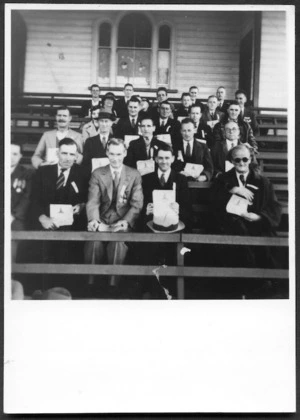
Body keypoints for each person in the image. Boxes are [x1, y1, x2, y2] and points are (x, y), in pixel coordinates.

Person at [84, 138, 143, 297]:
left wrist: (125, 222)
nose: (115, 158)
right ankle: (91, 284)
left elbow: (137, 204)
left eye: (118, 154)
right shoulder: (97, 173)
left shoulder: (134, 174)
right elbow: (92, 201)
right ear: (107, 153)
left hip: (122, 222)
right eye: (111, 154)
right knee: (94, 242)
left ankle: (113, 286)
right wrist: (94, 221)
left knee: (118, 244)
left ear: (124, 153)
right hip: (102, 220)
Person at [31, 138, 89, 295]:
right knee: (41, 246)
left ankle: (66, 293)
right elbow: (34, 200)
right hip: (47, 224)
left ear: (76, 156)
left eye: (72, 154)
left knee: (69, 250)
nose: (68, 158)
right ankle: (42, 290)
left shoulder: (83, 174)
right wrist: (42, 217)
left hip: (71, 225)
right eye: (64, 153)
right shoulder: (43, 172)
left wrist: (82, 207)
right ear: (57, 153)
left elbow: (88, 200)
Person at [210, 144, 282, 271]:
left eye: (245, 159)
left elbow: (274, 207)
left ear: (250, 159)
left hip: (256, 227)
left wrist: (259, 217)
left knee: (267, 249)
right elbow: (213, 202)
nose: (241, 163)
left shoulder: (263, 182)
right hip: (231, 228)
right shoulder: (222, 180)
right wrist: (232, 189)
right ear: (232, 161)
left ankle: (261, 282)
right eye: (237, 160)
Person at [139, 143, 193, 298]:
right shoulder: (147, 179)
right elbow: (140, 206)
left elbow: (188, 210)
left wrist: (179, 209)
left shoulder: (180, 180)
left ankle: (170, 291)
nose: (164, 161)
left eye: (167, 158)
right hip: (152, 227)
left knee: (175, 252)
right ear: (155, 159)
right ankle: (152, 290)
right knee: (145, 250)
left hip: (174, 228)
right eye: (160, 158)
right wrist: (146, 210)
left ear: (173, 158)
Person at [11, 142, 34, 261]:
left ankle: (12, 274)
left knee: (17, 231)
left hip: (16, 217)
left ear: (20, 156)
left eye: (15, 154)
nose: (11, 157)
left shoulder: (27, 174)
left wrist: (13, 216)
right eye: (8, 153)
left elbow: (27, 197)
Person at [173, 118, 214, 182]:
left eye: (189, 130)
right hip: (180, 182)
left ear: (194, 130)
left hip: (198, 183)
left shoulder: (203, 146)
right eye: (184, 131)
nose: (187, 134)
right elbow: (171, 165)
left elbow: (209, 167)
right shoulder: (174, 146)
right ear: (180, 131)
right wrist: (178, 173)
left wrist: (205, 176)